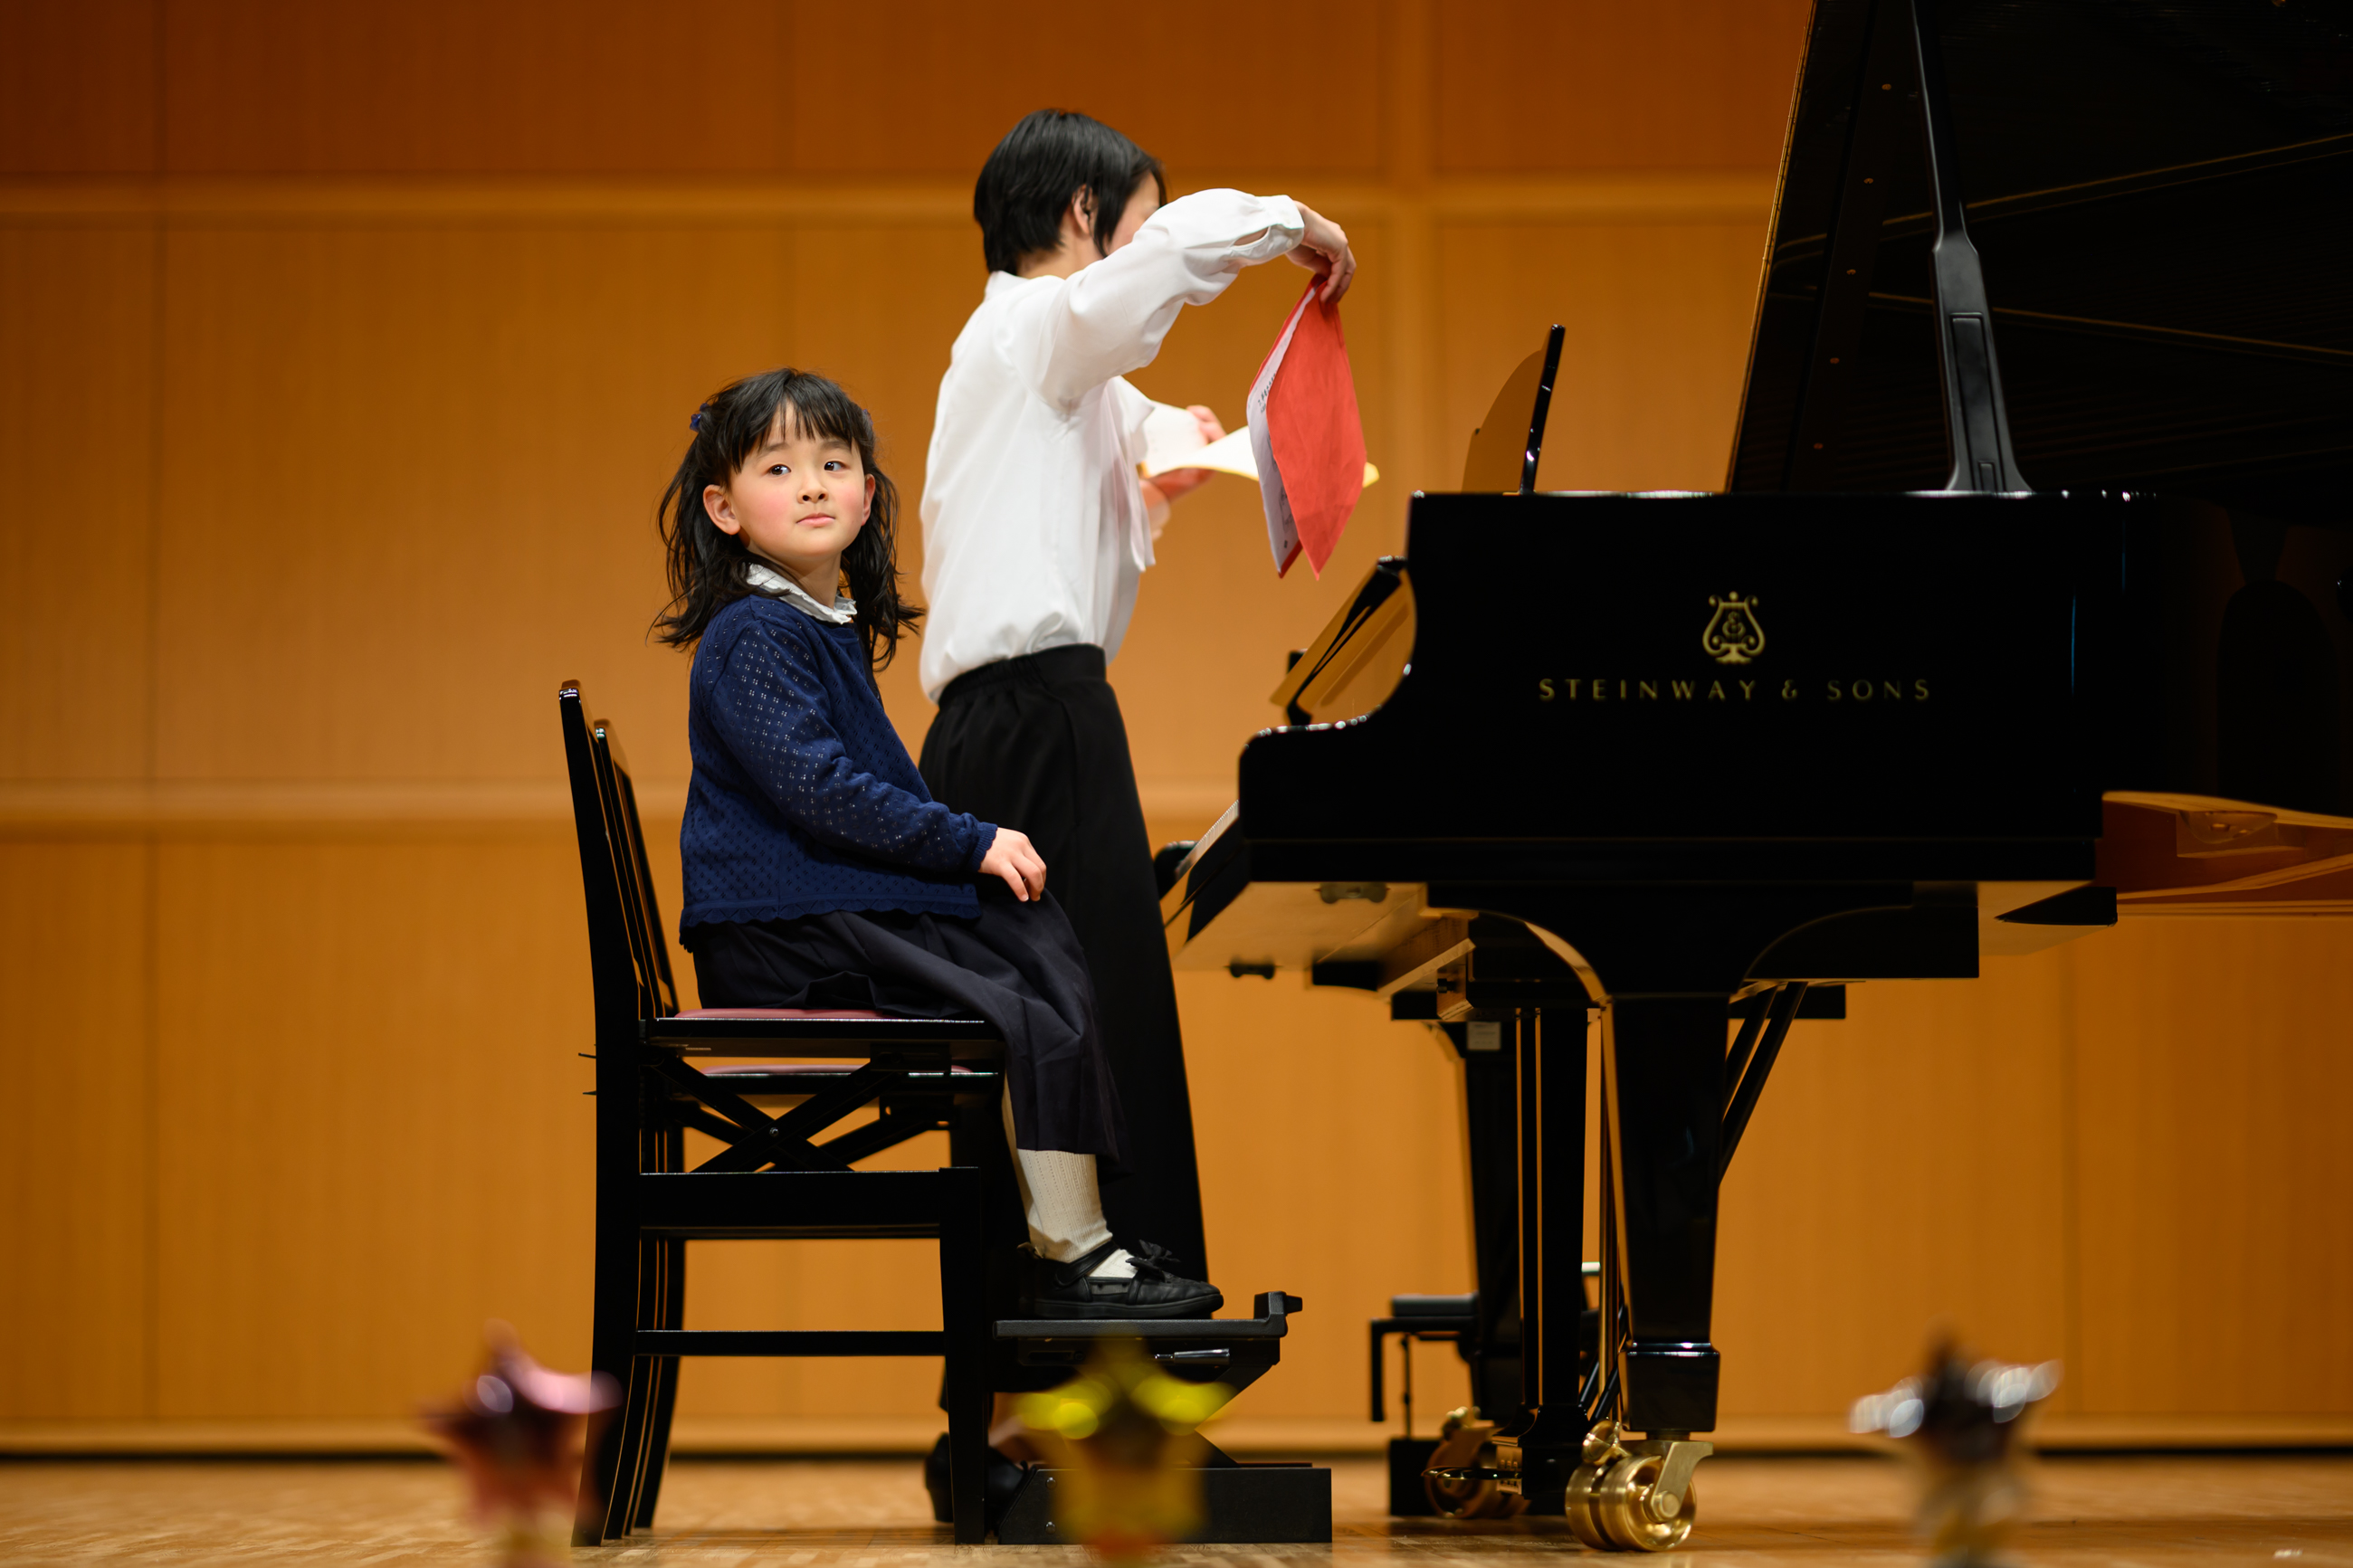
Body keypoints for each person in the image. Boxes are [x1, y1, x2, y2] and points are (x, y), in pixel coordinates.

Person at [654, 365, 1220, 1321]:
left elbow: (850, 795)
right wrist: (968, 840)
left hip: (807, 908)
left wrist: (966, 853)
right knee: (1016, 977)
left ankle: (1074, 1240)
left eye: (834, 462)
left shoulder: (811, 625)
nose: (810, 484)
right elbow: (819, 791)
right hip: (777, 936)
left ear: (868, 493)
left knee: (1030, 944)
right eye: (778, 467)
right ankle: (1072, 1250)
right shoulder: (751, 633)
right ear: (722, 507)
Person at [919, 109, 1357, 1276]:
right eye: (1138, 219)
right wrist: (1293, 228)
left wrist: (1166, 464)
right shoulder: (1029, 327)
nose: (1151, 243)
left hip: (1018, 721)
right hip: (1032, 722)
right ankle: (1102, 1333)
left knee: (1086, 1011)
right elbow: (1160, 273)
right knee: (1089, 1009)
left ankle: (1070, 1374)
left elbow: (1128, 433)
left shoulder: (1045, 371)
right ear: (1081, 216)